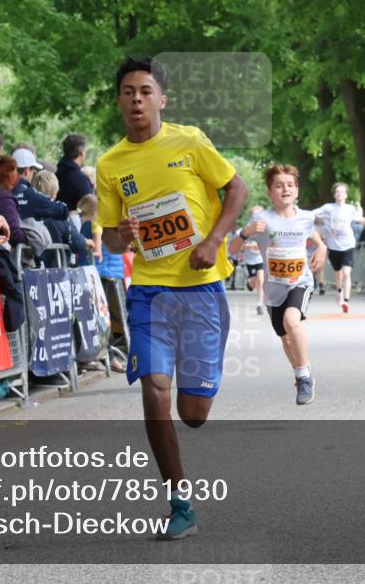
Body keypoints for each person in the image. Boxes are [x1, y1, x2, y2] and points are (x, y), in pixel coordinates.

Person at [95, 55, 247, 540]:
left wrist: (212, 240)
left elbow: (237, 189)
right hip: (150, 293)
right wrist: (121, 232)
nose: (136, 99)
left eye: (144, 91)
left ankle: (202, 384)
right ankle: (179, 501)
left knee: (193, 414)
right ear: (119, 101)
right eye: (127, 92)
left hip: (201, 289)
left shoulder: (190, 141)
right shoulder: (110, 164)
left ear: (162, 99)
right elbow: (114, 241)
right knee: (155, 391)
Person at [229, 164, 326, 404]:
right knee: (285, 337)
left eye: (290, 185)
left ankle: (304, 377)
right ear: (270, 191)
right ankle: (300, 370)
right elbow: (231, 249)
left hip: (299, 282)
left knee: (291, 321)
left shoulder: (305, 217)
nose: (285, 189)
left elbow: (315, 238)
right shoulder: (261, 220)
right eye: (279, 185)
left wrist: (321, 248)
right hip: (273, 290)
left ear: (297, 190)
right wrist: (245, 233)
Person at [314, 182, 365, 312]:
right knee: (338, 274)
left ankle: (346, 301)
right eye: (337, 191)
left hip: (348, 245)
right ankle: (339, 291)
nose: (340, 193)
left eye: (342, 191)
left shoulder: (350, 209)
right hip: (333, 246)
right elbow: (311, 214)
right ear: (334, 194)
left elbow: (362, 221)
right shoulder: (328, 208)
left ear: (346, 195)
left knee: (346, 273)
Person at [32, 170, 88, 267]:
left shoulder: (24, 210)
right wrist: (85, 241)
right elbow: (77, 244)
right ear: (55, 193)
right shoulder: (60, 214)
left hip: (29, 273)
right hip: (56, 273)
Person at [11, 148, 70, 223]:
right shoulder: (31, 195)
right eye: (32, 169)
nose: (34, 172)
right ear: (26, 171)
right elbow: (63, 211)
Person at [0, 156, 27, 247]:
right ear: (7, 175)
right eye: (15, 171)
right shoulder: (4, 199)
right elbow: (13, 232)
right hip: (1, 253)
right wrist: (28, 238)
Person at [234, 206, 265, 314]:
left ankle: (259, 304)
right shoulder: (246, 230)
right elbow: (240, 247)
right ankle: (249, 283)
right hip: (250, 260)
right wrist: (251, 246)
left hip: (260, 259)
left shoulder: (265, 229)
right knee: (253, 282)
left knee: (261, 279)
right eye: (255, 215)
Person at [55, 134, 94, 210]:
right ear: (82, 153)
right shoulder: (81, 179)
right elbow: (90, 207)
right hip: (74, 220)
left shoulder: (56, 174)